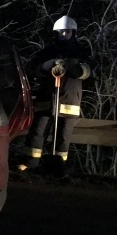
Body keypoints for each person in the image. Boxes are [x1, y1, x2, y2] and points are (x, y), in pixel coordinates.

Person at [15, 16, 91, 174]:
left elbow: (88, 72)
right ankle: (30, 162)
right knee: (38, 131)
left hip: (69, 99)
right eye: (60, 32)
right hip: (47, 98)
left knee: (64, 135)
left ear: (73, 32)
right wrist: (49, 64)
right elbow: (34, 68)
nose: (64, 34)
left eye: (67, 31)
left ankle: (58, 166)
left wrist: (71, 67)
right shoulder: (48, 51)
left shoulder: (81, 51)